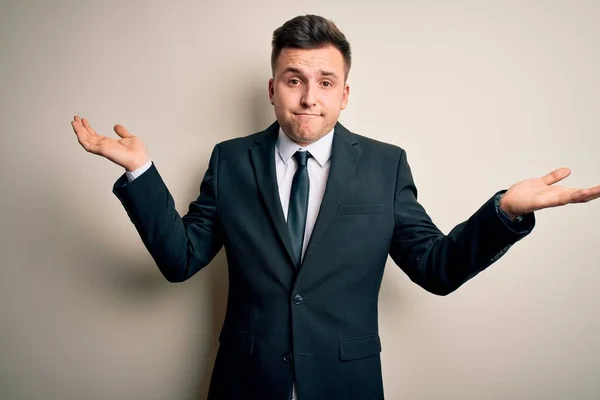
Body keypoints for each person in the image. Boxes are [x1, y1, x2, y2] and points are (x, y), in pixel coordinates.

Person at [71, 14, 600, 400]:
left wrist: (504, 212)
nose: (309, 98)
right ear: (272, 88)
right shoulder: (230, 161)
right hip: (246, 384)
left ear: (345, 94)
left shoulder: (384, 165)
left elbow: (437, 268)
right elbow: (180, 259)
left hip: (347, 385)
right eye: (294, 80)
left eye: (325, 83)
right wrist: (140, 173)